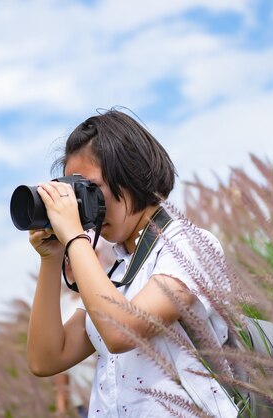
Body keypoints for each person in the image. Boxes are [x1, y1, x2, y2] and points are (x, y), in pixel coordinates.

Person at [26, 109, 238, 417]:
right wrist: (52, 257)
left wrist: (74, 236)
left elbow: (121, 331)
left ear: (131, 175)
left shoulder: (187, 247)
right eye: (76, 193)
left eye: (90, 189)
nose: (85, 207)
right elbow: (46, 358)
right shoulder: (118, 274)